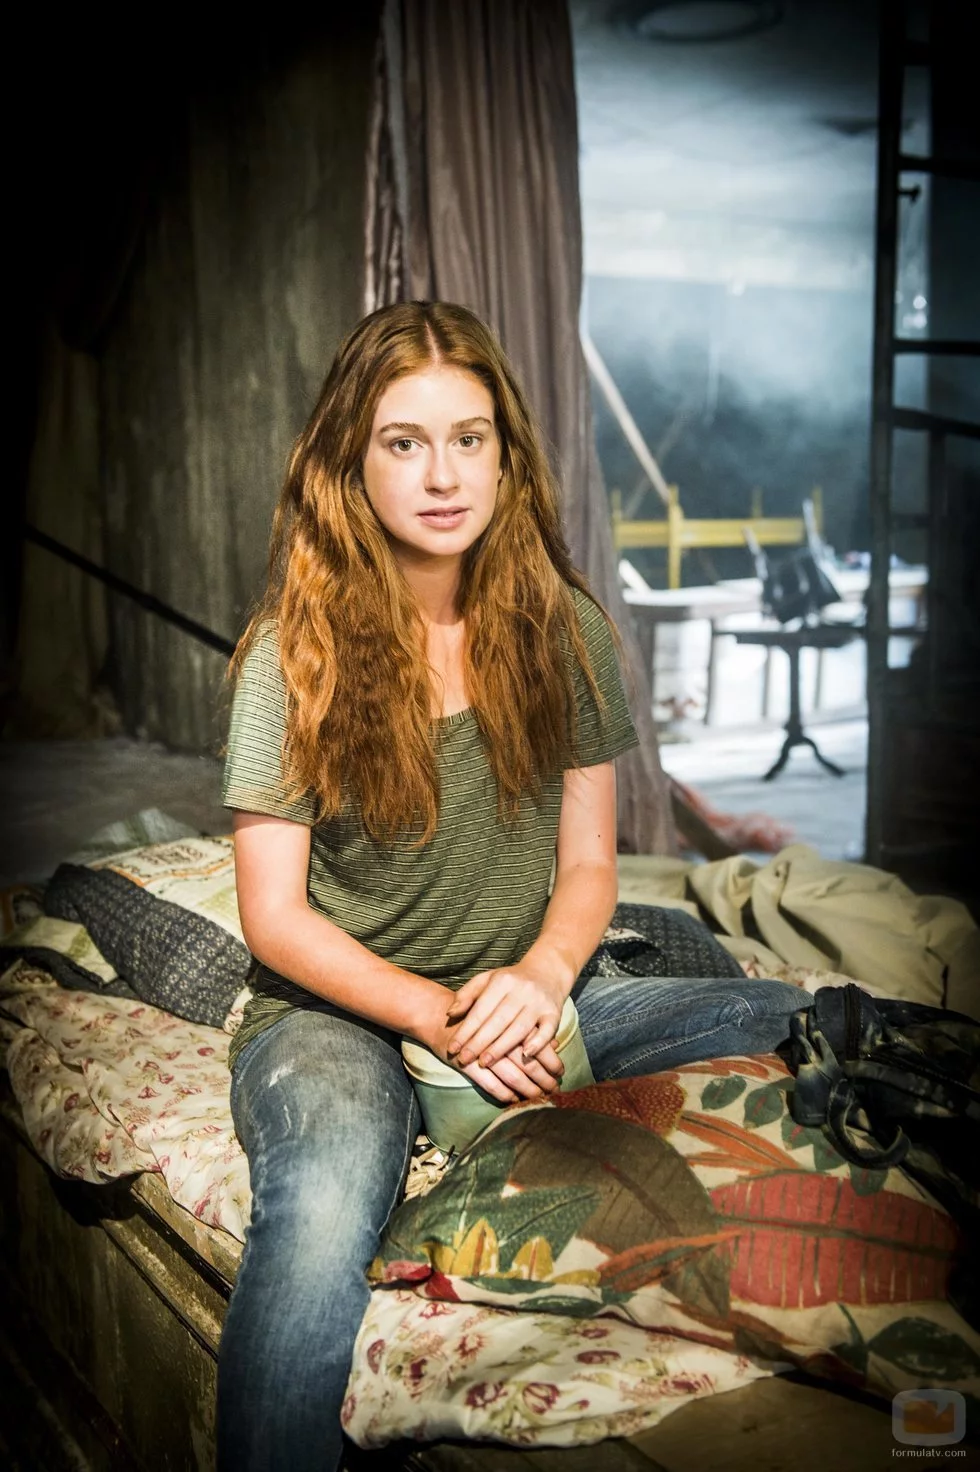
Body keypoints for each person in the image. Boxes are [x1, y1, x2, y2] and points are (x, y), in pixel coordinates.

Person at [216, 300, 811, 1471]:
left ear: (506, 455)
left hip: (526, 990)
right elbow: (272, 915)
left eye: (468, 438)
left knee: (789, 1013)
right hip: (335, 1014)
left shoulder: (565, 629)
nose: (442, 475)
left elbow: (589, 865)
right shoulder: (293, 653)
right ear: (349, 462)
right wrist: (442, 1019)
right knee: (322, 1204)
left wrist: (537, 977)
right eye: (403, 442)